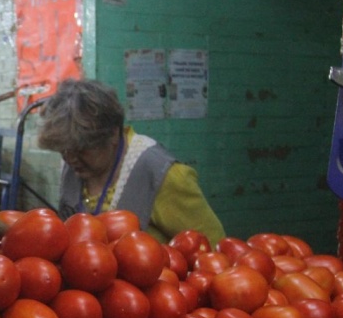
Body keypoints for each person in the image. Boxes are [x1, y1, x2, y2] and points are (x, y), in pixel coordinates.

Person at [38, 78, 225, 245]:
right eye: (64, 149)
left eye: (81, 149)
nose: (70, 158)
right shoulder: (73, 164)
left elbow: (213, 249)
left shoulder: (162, 175)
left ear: (113, 134)